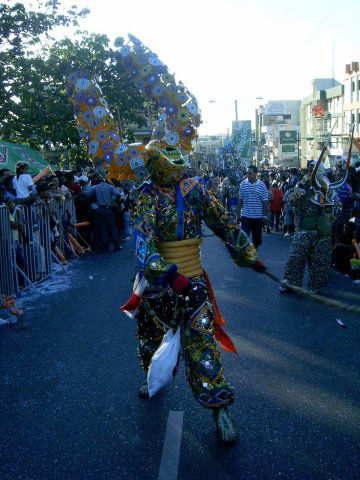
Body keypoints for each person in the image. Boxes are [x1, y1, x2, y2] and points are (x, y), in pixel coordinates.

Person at [67, 35, 267, 444]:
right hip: (160, 286)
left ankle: (220, 411)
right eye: (167, 165)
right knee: (149, 340)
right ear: (153, 166)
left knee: (202, 346)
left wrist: (247, 253)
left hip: (192, 284)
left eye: (179, 164)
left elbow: (225, 224)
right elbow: (141, 247)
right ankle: (150, 375)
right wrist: (164, 272)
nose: (176, 171)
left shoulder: (194, 188)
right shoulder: (143, 197)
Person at [280, 156, 347, 294]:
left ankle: (314, 286)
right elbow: (290, 201)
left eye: (316, 170)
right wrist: (300, 193)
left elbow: (338, 206)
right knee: (296, 257)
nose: (313, 173)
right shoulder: (301, 185)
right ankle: (292, 284)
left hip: (321, 233)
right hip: (303, 229)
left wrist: (329, 217)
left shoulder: (328, 189)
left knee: (319, 262)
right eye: (311, 170)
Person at [83, 175, 122, 251]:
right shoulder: (110, 187)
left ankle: (105, 245)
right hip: (108, 209)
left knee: (102, 227)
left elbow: (86, 194)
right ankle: (116, 244)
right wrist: (114, 201)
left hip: (99, 209)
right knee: (112, 227)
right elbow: (118, 195)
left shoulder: (95, 187)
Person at [237, 165, 269, 248]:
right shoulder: (243, 184)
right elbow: (240, 200)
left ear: (255, 174)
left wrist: (264, 216)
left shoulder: (262, 185)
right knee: (244, 238)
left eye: (250, 173)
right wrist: (238, 214)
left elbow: (265, 201)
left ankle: (255, 251)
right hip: (246, 216)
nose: (248, 175)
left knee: (257, 239)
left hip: (258, 217)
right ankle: (246, 255)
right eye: (247, 173)